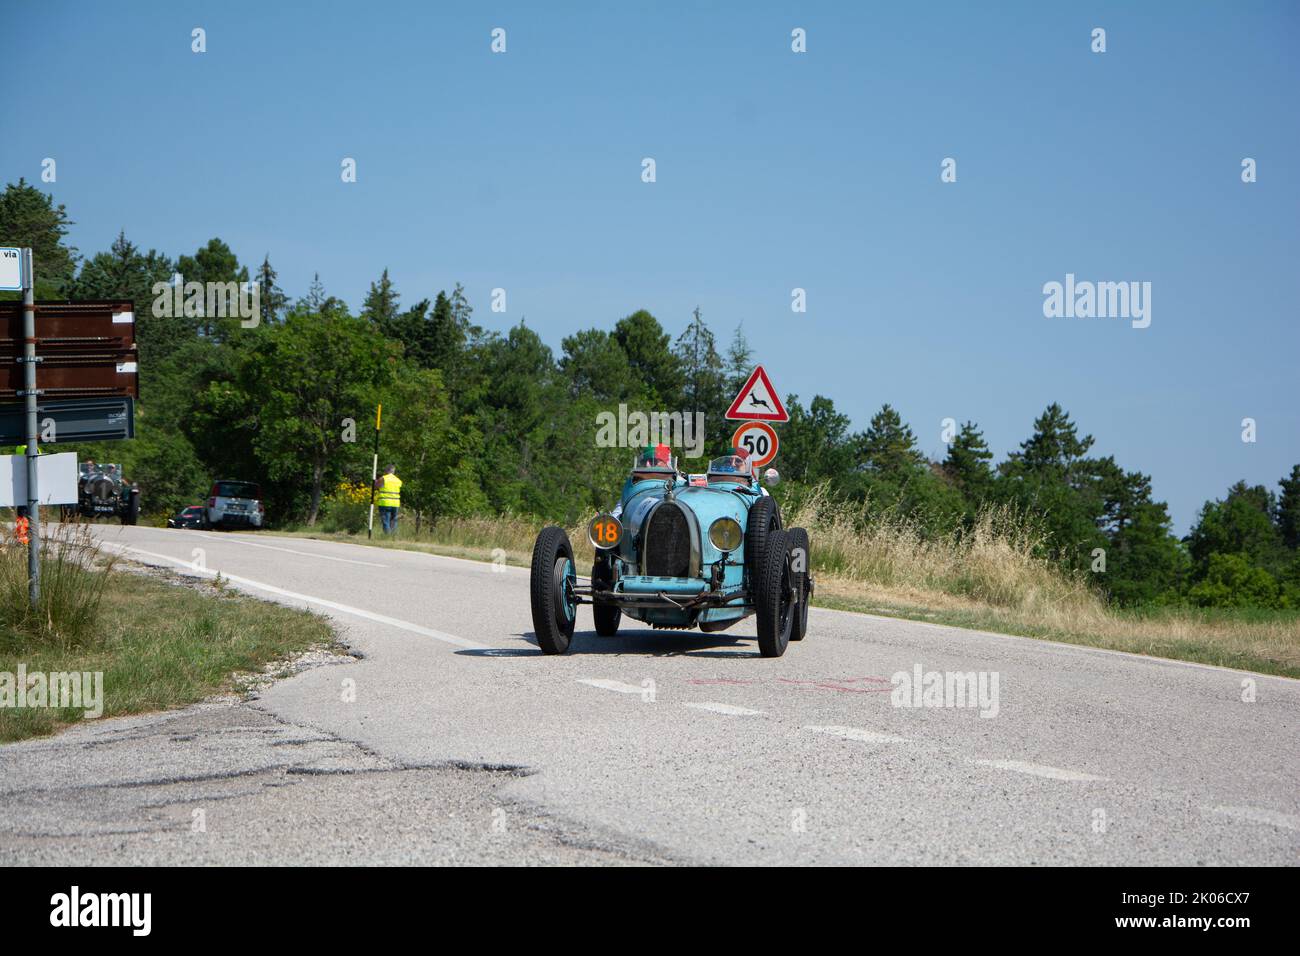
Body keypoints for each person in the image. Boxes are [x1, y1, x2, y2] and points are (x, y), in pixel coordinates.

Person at [374, 464, 402, 534]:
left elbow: (376, 486)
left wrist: (375, 482)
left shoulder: (384, 478)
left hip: (385, 502)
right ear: (393, 471)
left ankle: (387, 536)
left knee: (386, 521)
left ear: (386, 470)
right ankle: (393, 536)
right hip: (395, 503)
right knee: (393, 521)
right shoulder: (398, 480)